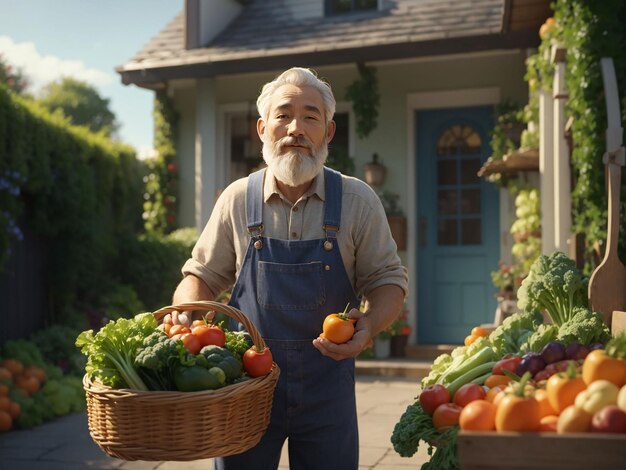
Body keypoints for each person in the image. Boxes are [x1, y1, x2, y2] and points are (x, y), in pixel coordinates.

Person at [172, 67, 408, 470]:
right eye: (283, 115)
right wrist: (189, 316)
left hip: (328, 387)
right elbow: (201, 276)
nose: (295, 128)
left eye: (311, 116)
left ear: (328, 133)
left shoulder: (357, 200)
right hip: (245, 386)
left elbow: (387, 281)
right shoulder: (236, 199)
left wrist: (367, 326)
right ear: (263, 129)